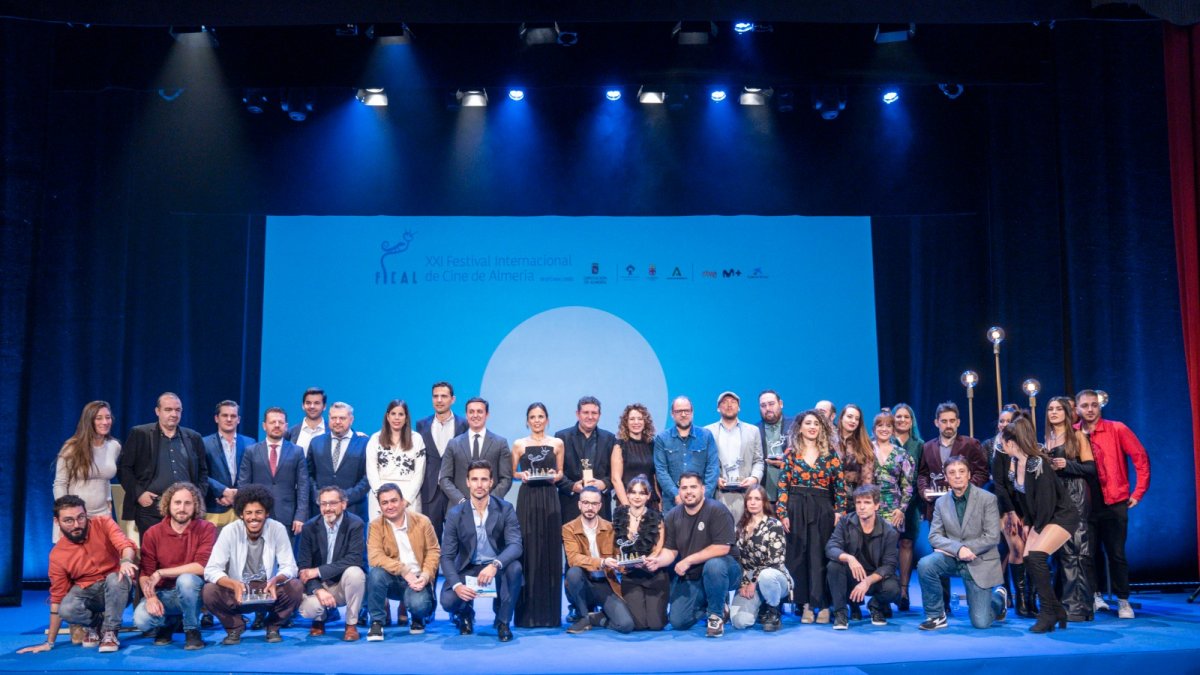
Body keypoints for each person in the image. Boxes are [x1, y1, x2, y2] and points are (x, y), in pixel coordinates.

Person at [992, 415, 1080, 633]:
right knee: (1029, 558)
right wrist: (1029, 523)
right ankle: (1057, 609)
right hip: (1042, 518)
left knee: (1037, 556)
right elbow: (1025, 500)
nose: (1003, 447)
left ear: (1012, 443)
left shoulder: (1037, 464)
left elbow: (1047, 502)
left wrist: (1035, 528)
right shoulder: (1015, 464)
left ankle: (1048, 612)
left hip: (1060, 515)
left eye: (1004, 443)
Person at [18, 495, 138, 654]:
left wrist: (125, 561)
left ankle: (110, 632)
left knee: (116, 578)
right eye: (68, 520)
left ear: (86, 514)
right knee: (65, 608)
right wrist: (49, 642)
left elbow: (125, 545)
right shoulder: (57, 555)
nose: (76, 525)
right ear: (56, 522)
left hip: (119, 587)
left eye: (81, 518)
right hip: (88, 591)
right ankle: (96, 625)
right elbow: (57, 598)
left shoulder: (103, 523)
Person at [1076, 389, 1150, 619]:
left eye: (1093, 405)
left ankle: (1123, 599)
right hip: (1086, 503)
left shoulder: (1117, 428)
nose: (1090, 409)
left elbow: (1140, 458)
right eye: (1085, 405)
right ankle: (1096, 595)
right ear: (1077, 409)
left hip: (1114, 501)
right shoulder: (1073, 433)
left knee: (1116, 553)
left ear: (1100, 407)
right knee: (1089, 553)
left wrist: (1138, 492)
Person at [202, 483, 305, 644]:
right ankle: (235, 627)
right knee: (209, 591)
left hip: (268, 588)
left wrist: (275, 580)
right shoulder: (230, 531)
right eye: (248, 513)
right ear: (241, 514)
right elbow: (211, 570)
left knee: (296, 586)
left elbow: (290, 566)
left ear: (267, 513)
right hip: (238, 590)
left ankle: (273, 627)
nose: (253, 517)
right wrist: (232, 584)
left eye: (259, 512)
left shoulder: (277, 529)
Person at [916, 456, 1008, 630]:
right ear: (946, 476)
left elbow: (993, 536)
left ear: (969, 474)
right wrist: (958, 549)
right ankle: (936, 616)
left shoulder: (987, 499)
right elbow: (934, 536)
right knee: (926, 564)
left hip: (979, 560)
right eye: (952, 472)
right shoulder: (941, 502)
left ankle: (997, 600)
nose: (957, 476)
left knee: (981, 622)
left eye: (961, 472)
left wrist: (967, 549)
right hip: (954, 558)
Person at [645, 471, 740, 637]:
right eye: (684, 488)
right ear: (679, 491)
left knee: (714, 565)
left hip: (726, 569)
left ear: (703, 489)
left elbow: (722, 548)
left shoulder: (718, 510)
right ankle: (714, 601)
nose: (688, 491)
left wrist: (688, 560)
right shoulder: (673, 515)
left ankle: (715, 616)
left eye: (693, 487)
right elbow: (671, 550)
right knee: (678, 622)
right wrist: (658, 561)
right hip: (694, 574)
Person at [439, 460, 524, 642]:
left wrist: (495, 564)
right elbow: (446, 556)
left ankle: (503, 621)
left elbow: (516, 545)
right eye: (475, 479)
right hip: (468, 567)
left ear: (491, 482)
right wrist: (457, 586)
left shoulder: (505, 509)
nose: (479, 484)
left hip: (495, 568)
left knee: (515, 568)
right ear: (467, 482)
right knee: (448, 601)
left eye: (484, 479)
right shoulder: (455, 514)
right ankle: (465, 613)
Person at [776, 410, 846, 624]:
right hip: (796, 507)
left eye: (816, 423)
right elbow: (782, 486)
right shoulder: (790, 453)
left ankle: (823, 604)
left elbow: (840, 487)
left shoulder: (831, 454)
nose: (812, 427)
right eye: (808, 423)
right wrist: (782, 513)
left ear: (822, 428)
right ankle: (805, 604)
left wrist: (839, 511)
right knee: (800, 556)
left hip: (822, 507)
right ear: (800, 427)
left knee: (820, 556)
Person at [131, 482, 214, 650]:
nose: (182, 508)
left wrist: (162, 572)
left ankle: (192, 630)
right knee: (141, 620)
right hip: (164, 594)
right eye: (177, 503)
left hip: (195, 593)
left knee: (186, 580)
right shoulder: (153, 533)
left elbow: (202, 566)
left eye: (187, 503)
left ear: (195, 505)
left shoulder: (206, 528)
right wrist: (151, 597)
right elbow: (146, 572)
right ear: (168, 504)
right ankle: (169, 622)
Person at [119, 392, 209, 537]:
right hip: (151, 509)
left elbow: (203, 472)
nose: (174, 414)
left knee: (183, 555)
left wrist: (197, 497)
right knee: (152, 556)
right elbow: (124, 468)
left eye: (177, 410)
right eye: (168, 410)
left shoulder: (193, 437)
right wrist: (139, 494)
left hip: (184, 510)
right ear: (157, 411)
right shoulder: (140, 434)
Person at [365, 483, 439, 641]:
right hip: (393, 578)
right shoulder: (376, 526)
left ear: (403, 501)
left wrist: (425, 576)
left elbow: (433, 551)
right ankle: (377, 621)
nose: (390, 506)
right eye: (385, 503)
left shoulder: (423, 521)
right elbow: (374, 556)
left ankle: (417, 617)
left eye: (394, 501)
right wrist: (403, 570)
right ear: (380, 506)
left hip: (418, 578)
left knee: (420, 605)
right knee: (376, 574)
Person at [513, 402, 564, 628]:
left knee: (549, 551)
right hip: (528, 499)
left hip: (550, 498)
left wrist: (556, 475)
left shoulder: (557, 443)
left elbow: (561, 473)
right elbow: (511, 472)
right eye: (532, 417)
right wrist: (520, 474)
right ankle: (527, 616)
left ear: (547, 419)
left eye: (541, 416)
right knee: (528, 550)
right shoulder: (518, 444)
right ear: (527, 420)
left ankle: (550, 616)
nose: (537, 420)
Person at [1045, 396, 1096, 621]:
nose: (1054, 412)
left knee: (1077, 549)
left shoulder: (1077, 436)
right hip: (1056, 495)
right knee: (1060, 550)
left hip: (1075, 493)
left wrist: (1068, 464)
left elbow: (1091, 468)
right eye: (1050, 409)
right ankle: (1061, 601)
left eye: (1058, 409)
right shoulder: (1047, 438)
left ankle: (1078, 607)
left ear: (1067, 412)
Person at [562, 486, 635, 634]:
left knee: (626, 625)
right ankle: (583, 616)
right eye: (586, 503)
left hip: (605, 583)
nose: (590, 507)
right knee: (573, 572)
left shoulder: (611, 528)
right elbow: (573, 558)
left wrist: (628, 563)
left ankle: (593, 618)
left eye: (594, 504)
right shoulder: (568, 528)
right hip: (582, 583)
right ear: (579, 504)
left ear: (600, 506)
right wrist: (602, 562)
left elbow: (617, 557)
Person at [825, 485, 901, 629]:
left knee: (893, 588)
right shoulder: (845, 522)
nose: (861, 507)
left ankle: (875, 606)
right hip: (852, 575)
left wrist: (867, 581)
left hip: (874, 578)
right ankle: (841, 613)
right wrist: (849, 558)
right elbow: (831, 547)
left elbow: (889, 565)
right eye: (858, 502)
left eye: (867, 502)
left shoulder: (889, 531)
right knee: (833, 565)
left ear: (876, 505)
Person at [297, 486, 366, 641]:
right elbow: (304, 567)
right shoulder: (309, 527)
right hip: (319, 585)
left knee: (356, 573)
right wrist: (318, 589)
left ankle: (351, 625)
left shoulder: (355, 524)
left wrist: (319, 571)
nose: (328, 508)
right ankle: (319, 620)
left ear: (344, 504)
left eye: (333, 503)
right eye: (323, 504)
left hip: (343, 583)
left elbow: (354, 559)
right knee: (309, 610)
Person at [985, 404, 1032, 617]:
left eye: (1010, 421)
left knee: (1030, 551)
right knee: (1016, 548)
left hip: (1028, 508)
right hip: (1005, 507)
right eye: (1002, 421)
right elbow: (1000, 485)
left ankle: (1030, 599)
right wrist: (1011, 512)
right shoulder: (999, 450)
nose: (1006, 425)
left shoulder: (1029, 448)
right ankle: (1019, 600)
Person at [53, 401, 121, 541]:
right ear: (89, 421)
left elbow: (105, 478)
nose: (105, 422)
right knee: (75, 561)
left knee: (102, 559)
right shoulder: (72, 447)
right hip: (75, 518)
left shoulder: (114, 446)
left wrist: (108, 503)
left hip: (102, 516)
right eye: (99, 418)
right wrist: (65, 514)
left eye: (108, 417)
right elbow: (60, 483)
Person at [238, 407, 309, 542]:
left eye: (280, 422)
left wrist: (300, 515)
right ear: (264, 426)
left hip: (287, 516)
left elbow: (303, 486)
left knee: (285, 560)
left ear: (286, 426)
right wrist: (245, 512)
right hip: (256, 515)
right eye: (272, 422)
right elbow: (244, 486)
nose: (277, 425)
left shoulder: (297, 452)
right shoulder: (251, 451)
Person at [868, 411, 914, 615]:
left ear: (893, 429)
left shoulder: (901, 454)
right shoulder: (867, 449)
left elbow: (908, 485)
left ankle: (887, 597)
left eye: (888, 426)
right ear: (874, 429)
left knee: (889, 556)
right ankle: (878, 598)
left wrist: (901, 509)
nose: (884, 429)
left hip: (893, 510)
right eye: (880, 426)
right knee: (871, 554)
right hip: (870, 509)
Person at [730, 486, 791, 632]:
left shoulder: (774, 525)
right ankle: (760, 606)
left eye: (757, 499)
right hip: (748, 578)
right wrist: (744, 583)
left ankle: (773, 612)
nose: (752, 502)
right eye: (749, 499)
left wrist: (753, 582)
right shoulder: (740, 527)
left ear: (764, 502)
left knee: (766, 575)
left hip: (774, 575)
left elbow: (775, 561)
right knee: (739, 622)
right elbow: (739, 560)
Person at [612, 475, 669, 631]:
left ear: (648, 496)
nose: (637, 497)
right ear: (628, 494)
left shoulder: (656, 517)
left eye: (642, 493)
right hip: (631, 576)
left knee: (656, 625)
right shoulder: (619, 515)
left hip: (653, 574)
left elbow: (658, 547)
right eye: (633, 492)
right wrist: (624, 564)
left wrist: (646, 561)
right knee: (639, 625)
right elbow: (616, 545)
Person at [917, 402, 988, 522]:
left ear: (958, 422)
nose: (948, 425)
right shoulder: (927, 447)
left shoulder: (971, 444)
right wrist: (924, 491)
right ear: (936, 423)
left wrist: (966, 490)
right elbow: (922, 474)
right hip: (936, 509)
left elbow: (982, 473)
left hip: (965, 508)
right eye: (944, 421)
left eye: (952, 421)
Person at [415, 381, 468, 539]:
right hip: (430, 491)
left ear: (453, 399)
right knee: (431, 540)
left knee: (459, 537)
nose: (439, 400)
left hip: (456, 490)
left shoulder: (464, 425)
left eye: (443, 396)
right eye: (435, 396)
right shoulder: (421, 425)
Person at [438, 397, 512, 506]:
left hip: (492, 509)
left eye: (480, 411)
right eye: (471, 412)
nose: (475, 415)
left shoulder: (500, 443)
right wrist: (461, 500)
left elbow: (506, 479)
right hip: (459, 509)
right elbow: (444, 478)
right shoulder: (453, 444)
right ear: (466, 415)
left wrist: (489, 501)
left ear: (487, 415)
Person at [704, 391, 764, 523]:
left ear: (739, 407)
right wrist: (714, 479)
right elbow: (703, 462)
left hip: (745, 494)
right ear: (718, 408)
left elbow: (758, 460)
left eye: (733, 402)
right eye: (724, 402)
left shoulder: (753, 431)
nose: (729, 405)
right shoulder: (707, 432)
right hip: (718, 494)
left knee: (745, 534)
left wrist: (754, 478)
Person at [554, 396, 616, 522]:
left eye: (594, 413)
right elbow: (556, 471)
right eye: (585, 412)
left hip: (601, 505)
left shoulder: (610, 438)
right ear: (578, 414)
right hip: (570, 503)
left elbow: (615, 472)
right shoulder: (561, 437)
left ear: (599, 415)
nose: (590, 417)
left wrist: (604, 484)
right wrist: (572, 486)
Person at [307, 402, 370, 520]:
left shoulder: (365, 443)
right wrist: (319, 496)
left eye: (342, 418)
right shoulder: (316, 442)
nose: (337, 422)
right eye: (333, 418)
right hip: (320, 512)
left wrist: (343, 498)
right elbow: (308, 474)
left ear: (351, 419)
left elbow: (368, 477)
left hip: (353, 511)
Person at [366, 400, 427, 521]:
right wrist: (383, 499)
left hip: (408, 498)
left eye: (401, 414)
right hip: (380, 499)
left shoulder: (417, 439)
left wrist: (405, 501)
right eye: (393, 414)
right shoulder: (375, 439)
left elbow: (419, 473)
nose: (397, 418)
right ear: (387, 416)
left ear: (406, 418)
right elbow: (371, 471)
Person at [653, 396, 719, 506]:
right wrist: (676, 494)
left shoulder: (706, 436)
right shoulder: (662, 438)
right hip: (673, 503)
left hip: (703, 503)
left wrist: (703, 496)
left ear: (692, 412)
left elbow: (713, 468)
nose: (683, 414)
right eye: (679, 411)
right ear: (672, 414)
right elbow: (661, 471)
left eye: (686, 411)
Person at [890, 402, 923, 611]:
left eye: (906, 417)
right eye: (898, 417)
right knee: (886, 546)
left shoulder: (920, 445)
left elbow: (922, 475)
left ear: (912, 421)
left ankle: (903, 590)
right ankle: (888, 590)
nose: (902, 420)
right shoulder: (882, 442)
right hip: (886, 503)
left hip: (910, 504)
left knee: (906, 544)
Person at [202, 400, 254, 528]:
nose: (229, 419)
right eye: (225, 415)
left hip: (242, 508)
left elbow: (253, 473)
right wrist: (223, 491)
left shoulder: (250, 442)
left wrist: (237, 495)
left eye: (233, 416)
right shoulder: (204, 443)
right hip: (215, 507)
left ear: (239, 419)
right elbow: (201, 473)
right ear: (216, 418)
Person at [611, 403, 660, 509]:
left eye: (640, 419)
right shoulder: (619, 446)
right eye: (632, 419)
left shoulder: (652, 444)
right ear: (626, 422)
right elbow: (616, 479)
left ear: (645, 422)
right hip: (627, 501)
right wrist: (626, 506)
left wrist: (659, 503)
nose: (636, 422)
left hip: (650, 502)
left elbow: (654, 477)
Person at [836, 404, 874, 505]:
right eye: (849, 416)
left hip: (853, 498)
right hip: (828, 496)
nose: (853, 421)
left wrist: (863, 501)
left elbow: (867, 478)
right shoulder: (829, 441)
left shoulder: (864, 444)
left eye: (857, 419)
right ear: (841, 418)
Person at [758, 390, 789, 508]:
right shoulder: (754, 430)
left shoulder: (795, 427)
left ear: (780, 404)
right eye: (763, 405)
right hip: (764, 498)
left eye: (771, 404)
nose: (767, 408)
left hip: (790, 496)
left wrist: (786, 463)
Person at [287, 386, 328, 454]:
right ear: (303, 405)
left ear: (324, 406)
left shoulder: (332, 432)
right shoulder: (290, 433)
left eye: (316, 403)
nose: (312, 406)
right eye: (308, 403)